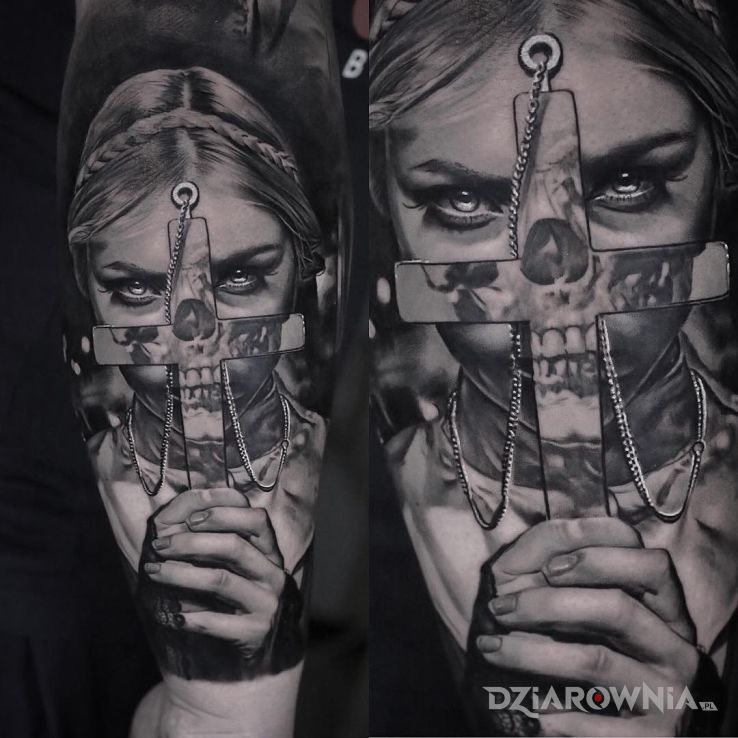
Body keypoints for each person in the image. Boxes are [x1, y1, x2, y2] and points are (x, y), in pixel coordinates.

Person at [370, 0, 738, 735]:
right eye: (464, 200)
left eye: (628, 182)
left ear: (724, 167)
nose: (555, 285)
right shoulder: (341, 523)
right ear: (386, 197)